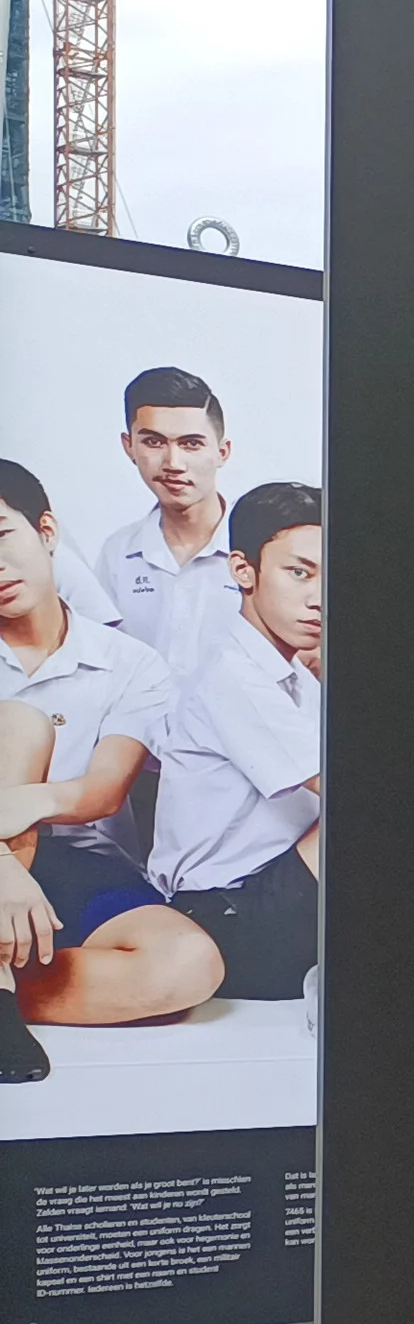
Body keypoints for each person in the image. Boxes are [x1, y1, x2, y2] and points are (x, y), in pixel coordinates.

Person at [0, 460, 226, 1080]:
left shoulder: (129, 662)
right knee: (20, 724)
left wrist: (26, 812)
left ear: (45, 531)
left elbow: (102, 792)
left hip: (81, 863)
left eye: (1, 536)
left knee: (191, 964)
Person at [150, 483, 324, 1000]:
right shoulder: (233, 673)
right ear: (243, 571)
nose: (320, 598)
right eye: (300, 573)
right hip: (227, 916)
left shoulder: (291, 673)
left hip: (271, 892)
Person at [87, 368, 244, 667]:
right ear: (129, 446)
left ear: (223, 452)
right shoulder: (118, 553)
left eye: (191, 444)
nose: (173, 463)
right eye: (154, 442)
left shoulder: (262, 544)